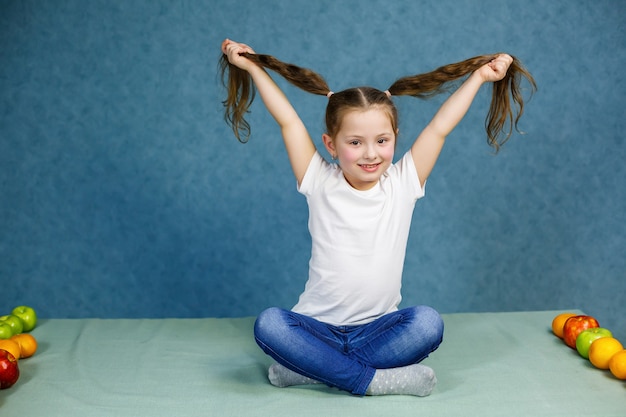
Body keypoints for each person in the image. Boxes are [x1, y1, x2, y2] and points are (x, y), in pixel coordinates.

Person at [220, 39, 535, 397]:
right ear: (330, 144)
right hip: (315, 327)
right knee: (270, 325)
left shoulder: (403, 183)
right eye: (355, 142)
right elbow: (288, 120)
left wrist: (479, 77)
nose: (370, 153)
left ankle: (314, 369)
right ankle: (368, 381)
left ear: (395, 139)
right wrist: (252, 67)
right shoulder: (319, 180)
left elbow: (439, 127)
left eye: (382, 141)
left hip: (377, 331)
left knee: (428, 323)